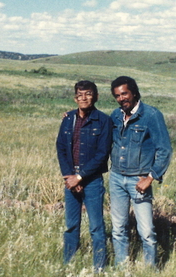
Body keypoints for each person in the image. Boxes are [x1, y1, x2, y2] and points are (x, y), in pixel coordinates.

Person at [109, 76, 172, 267]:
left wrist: (151, 177)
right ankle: (121, 266)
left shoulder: (151, 115)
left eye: (124, 93)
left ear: (134, 92)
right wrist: (72, 115)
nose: (121, 98)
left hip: (139, 180)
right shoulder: (115, 115)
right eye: (117, 96)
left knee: (146, 231)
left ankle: (149, 269)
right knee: (118, 228)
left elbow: (164, 149)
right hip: (116, 178)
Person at [56, 80, 112, 272]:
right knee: (71, 225)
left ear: (96, 96)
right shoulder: (68, 118)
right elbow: (61, 148)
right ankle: (68, 264)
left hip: (92, 180)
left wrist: (80, 177)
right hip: (70, 179)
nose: (84, 98)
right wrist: (69, 176)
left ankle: (99, 268)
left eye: (88, 94)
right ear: (75, 98)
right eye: (80, 95)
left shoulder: (103, 121)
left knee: (96, 228)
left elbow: (102, 154)